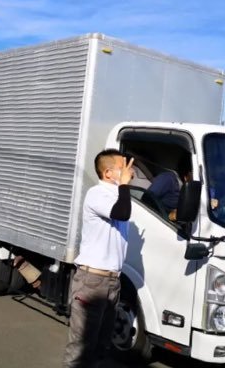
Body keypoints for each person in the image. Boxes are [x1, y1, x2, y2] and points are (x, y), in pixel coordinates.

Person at [63, 149, 134, 368]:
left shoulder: (118, 194)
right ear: (108, 172)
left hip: (112, 282)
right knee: (81, 347)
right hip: (92, 281)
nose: (128, 171)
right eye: (122, 167)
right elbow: (121, 213)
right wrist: (124, 185)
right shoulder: (97, 193)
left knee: (102, 346)